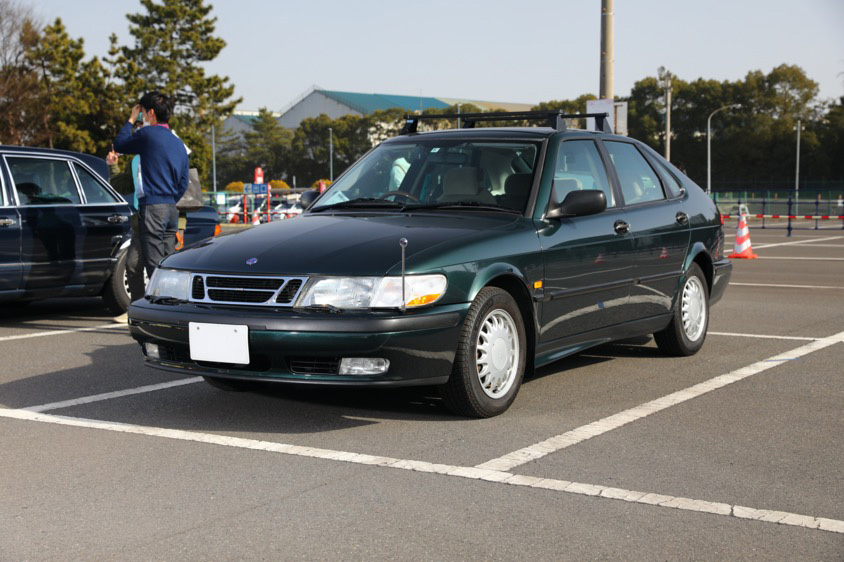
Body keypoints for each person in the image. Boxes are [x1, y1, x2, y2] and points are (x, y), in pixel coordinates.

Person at [113, 91, 189, 280]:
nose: (143, 117)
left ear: (151, 113)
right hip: (172, 208)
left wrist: (131, 119)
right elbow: (183, 181)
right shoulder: (177, 142)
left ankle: (160, 306)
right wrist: (169, 199)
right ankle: (168, 302)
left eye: (143, 112)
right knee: (168, 262)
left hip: (153, 207)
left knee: (155, 266)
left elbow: (120, 144)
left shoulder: (148, 134)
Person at [106, 149, 145, 322]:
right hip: (141, 220)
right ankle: (136, 310)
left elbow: (183, 184)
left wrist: (178, 223)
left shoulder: (168, 148)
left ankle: (165, 313)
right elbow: (124, 186)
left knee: (161, 270)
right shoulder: (136, 159)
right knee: (133, 265)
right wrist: (113, 167)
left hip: (165, 221)